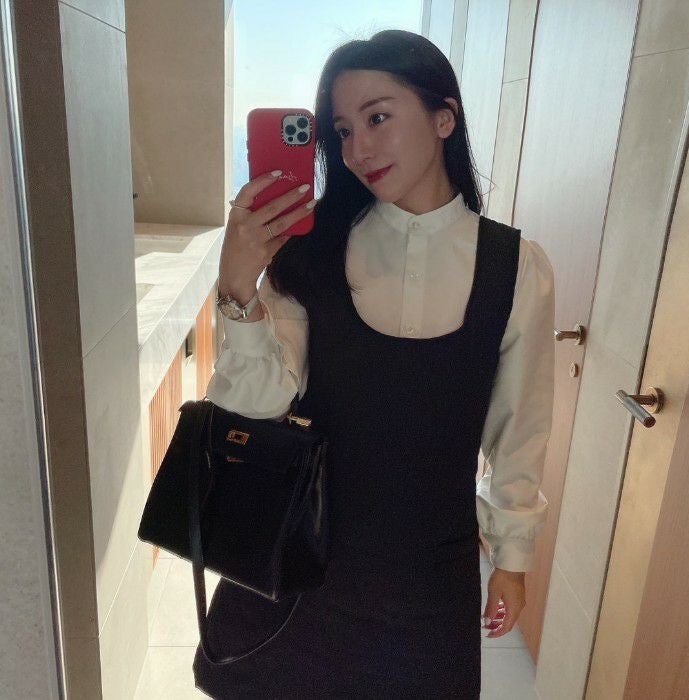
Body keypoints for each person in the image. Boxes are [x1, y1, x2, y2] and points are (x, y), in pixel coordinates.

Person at [193, 28, 553, 698]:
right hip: (299, 560)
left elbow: (520, 428)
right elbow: (253, 405)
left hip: (428, 575)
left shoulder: (515, 269)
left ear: (444, 118)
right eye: (342, 131)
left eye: (378, 118)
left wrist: (513, 555)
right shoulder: (313, 254)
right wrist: (239, 287)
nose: (357, 149)